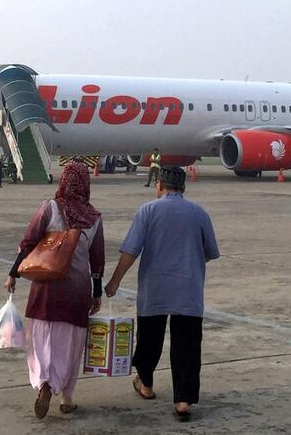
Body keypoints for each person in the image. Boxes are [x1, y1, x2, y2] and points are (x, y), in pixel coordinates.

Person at [105, 165, 219, 420]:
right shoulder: (199, 213)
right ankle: (183, 401)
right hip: (188, 291)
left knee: (149, 340)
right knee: (187, 345)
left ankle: (145, 384)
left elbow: (130, 251)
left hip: (154, 290)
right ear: (183, 188)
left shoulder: (148, 210)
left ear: (159, 186)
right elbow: (211, 252)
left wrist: (114, 282)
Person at [5, 163, 105, 419]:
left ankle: (44, 383)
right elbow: (97, 260)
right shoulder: (93, 218)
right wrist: (96, 292)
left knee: (41, 340)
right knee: (70, 345)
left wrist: (13, 274)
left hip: (45, 288)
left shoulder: (49, 208)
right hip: (76, 293)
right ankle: (67, 398)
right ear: (85, 184)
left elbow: (27, 242)